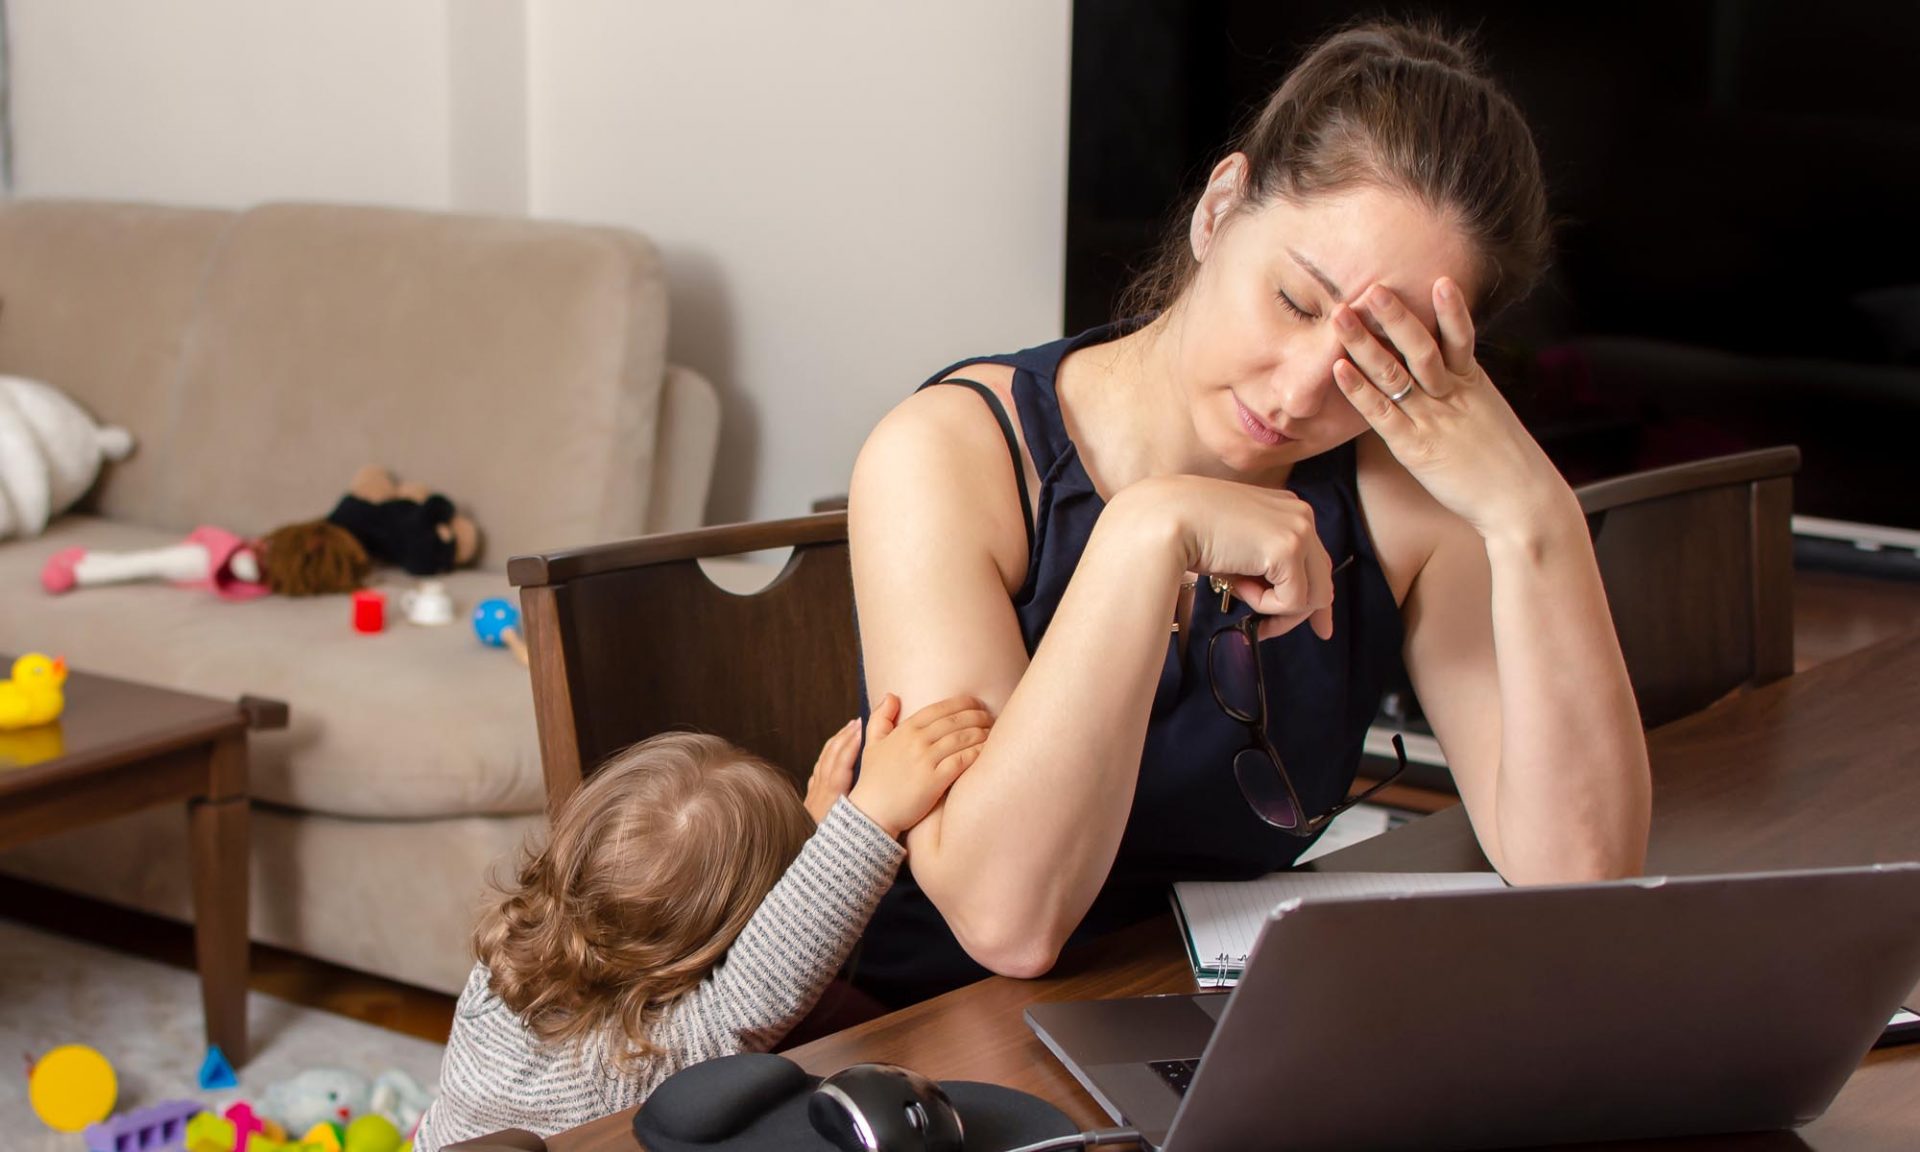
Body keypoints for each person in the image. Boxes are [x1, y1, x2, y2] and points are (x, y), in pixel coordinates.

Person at [845, 19, 1652, 1008]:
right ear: (1222, 207)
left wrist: (1535, 515)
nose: (1306, 390)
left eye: (1382, 354)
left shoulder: (1397, 497)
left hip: (1210, 1029)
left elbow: (1580, 876)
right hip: (926, 1044)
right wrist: (1149, 531)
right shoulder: (951, 455)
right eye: (1296, 302)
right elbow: (1006, 917)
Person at [411, 693, 991, 1150]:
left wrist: (807, 836)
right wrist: (874, 814)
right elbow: (771, 971)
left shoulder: (494, 980)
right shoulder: (642, 1059)